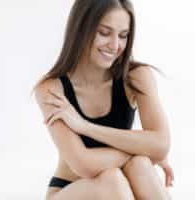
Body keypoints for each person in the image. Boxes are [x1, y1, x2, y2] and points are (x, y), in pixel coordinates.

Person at [33, 0, 174, 199]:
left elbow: (161, 144)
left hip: (123, 184)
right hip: (70, 189)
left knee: (138, 167)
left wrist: (85, 127)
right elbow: (84, 164)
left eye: (123, 36)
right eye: (104, 33)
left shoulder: (136, 77)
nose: (115, 45)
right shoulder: (51, 89)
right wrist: (145, 151)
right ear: (81, 30)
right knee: (114, 178)